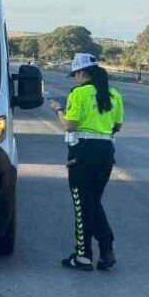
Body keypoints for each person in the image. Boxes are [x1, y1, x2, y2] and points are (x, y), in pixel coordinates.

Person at [48, 53, 124, 271]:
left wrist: (58, 110)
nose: (74, 79)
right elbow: (117, 126)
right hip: (106, 154)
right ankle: (107, 249)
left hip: (82, 154)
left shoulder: (78, 93)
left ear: (82, 72)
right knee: (93, 202)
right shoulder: (114, 94)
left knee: (82, 204)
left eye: (75, 74)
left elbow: (69, 125)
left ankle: (83, 256)